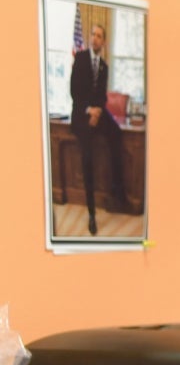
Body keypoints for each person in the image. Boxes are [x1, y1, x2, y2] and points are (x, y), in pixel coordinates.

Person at [65, 16, 131, 232]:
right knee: (88, 156)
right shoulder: (81, 58)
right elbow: (74, 91)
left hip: (97, 113)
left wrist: (99, 111)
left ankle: (117, 193)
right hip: (81, 114)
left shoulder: (104, 66)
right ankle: (92, 214)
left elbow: (102, 96)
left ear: (104, 43)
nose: (95, 38)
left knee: (116, 134)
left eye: (99, 36)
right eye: (93, 34)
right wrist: (88, 111)